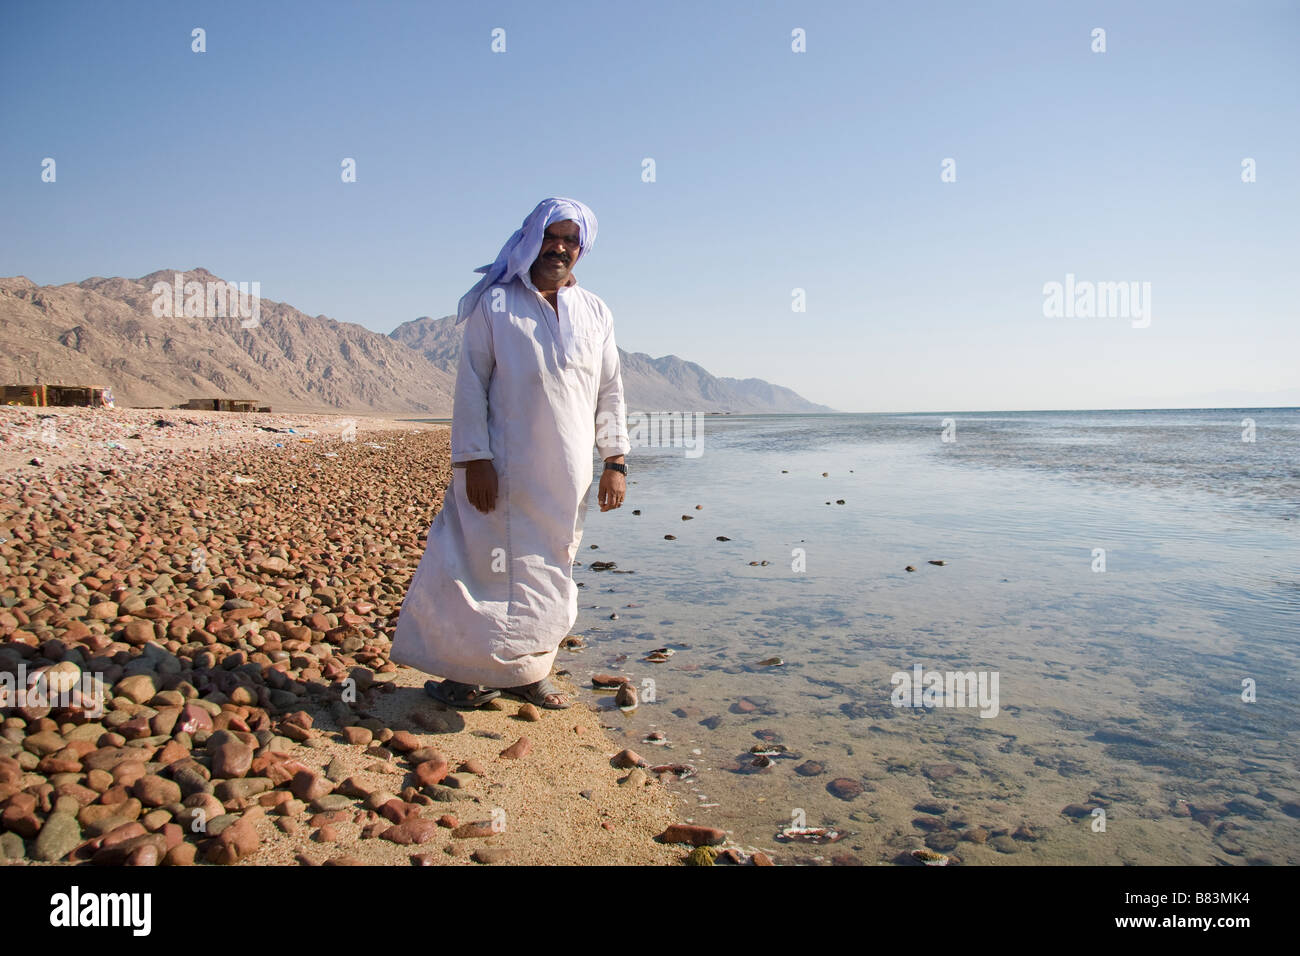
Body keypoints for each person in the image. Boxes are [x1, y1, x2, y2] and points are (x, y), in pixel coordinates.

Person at [391, 197, 630, 709]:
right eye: (552, 236)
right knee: (474, 566)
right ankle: (462, 676)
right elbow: (471, 384)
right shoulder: (495, 303)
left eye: (571, 239)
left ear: (582, 249)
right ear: (530, 239)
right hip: (498, 469)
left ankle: (529, 671)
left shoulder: (596, 312)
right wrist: (474, 458)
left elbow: (610, 390)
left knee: (551, 569)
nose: (561, 247)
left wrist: (615, 460)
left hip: (567, 476)